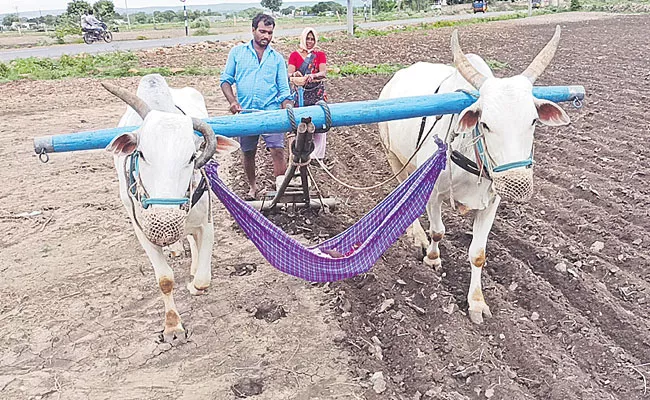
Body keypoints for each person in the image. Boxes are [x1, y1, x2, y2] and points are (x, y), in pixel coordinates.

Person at [220, 13, 293, 200]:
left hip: (270, 111)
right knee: (248, 152)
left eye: (269, 32)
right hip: (246, 112)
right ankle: (252, 188)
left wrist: (288, 109)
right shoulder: (237, 53)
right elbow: (226, 81)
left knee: (277, 150)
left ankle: (280, 189)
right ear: (253, 30)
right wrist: (232, 102)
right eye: (262, 31)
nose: (266, 36)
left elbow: (284, 90)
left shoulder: (276, 59)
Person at [287, 27, 328, 164]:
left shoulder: (319, 54)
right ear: (303, 39)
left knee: (320, 121)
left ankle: (318, 156)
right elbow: (290, 73)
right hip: (301, 92)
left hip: (316, 91)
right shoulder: (294, 55)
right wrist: (296, 75)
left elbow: (323, 72)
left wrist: (313, 75)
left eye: (312, 39)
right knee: (301, 122)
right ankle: (300, 153)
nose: (310, 41)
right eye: (307, 39)